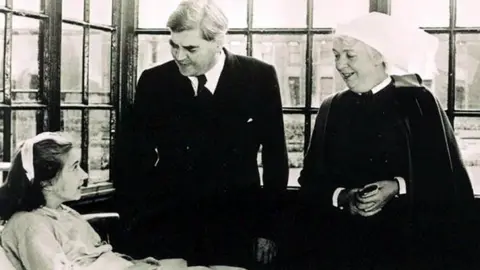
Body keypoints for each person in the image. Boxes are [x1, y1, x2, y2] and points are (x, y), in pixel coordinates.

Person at [114, 0, 289, 268]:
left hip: (235, 224)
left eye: (191, 48)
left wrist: (269, 229)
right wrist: (136, 219)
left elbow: (276, 158)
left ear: (218, 42)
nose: (179, 56)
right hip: (168, 225)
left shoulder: (259, 77)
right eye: (174, 45)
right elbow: (133, 159)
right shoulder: (154, 81)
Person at [295, 12, 476, 269]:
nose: (340, 65)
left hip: (408, 250)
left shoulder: (418, 102)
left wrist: (398, 186)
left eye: (350, 55)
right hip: (342, 250)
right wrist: (345, 197)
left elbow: (447, 178)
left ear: (379, 56)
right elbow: (311, 181)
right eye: (336, 55)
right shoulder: (331, 107)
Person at [0, 132, 209, 270]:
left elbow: (94, 256)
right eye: (74, 168)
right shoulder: (30, 225)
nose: (84, 175)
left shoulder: (64, 212)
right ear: (46, 181)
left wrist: (133, 264)